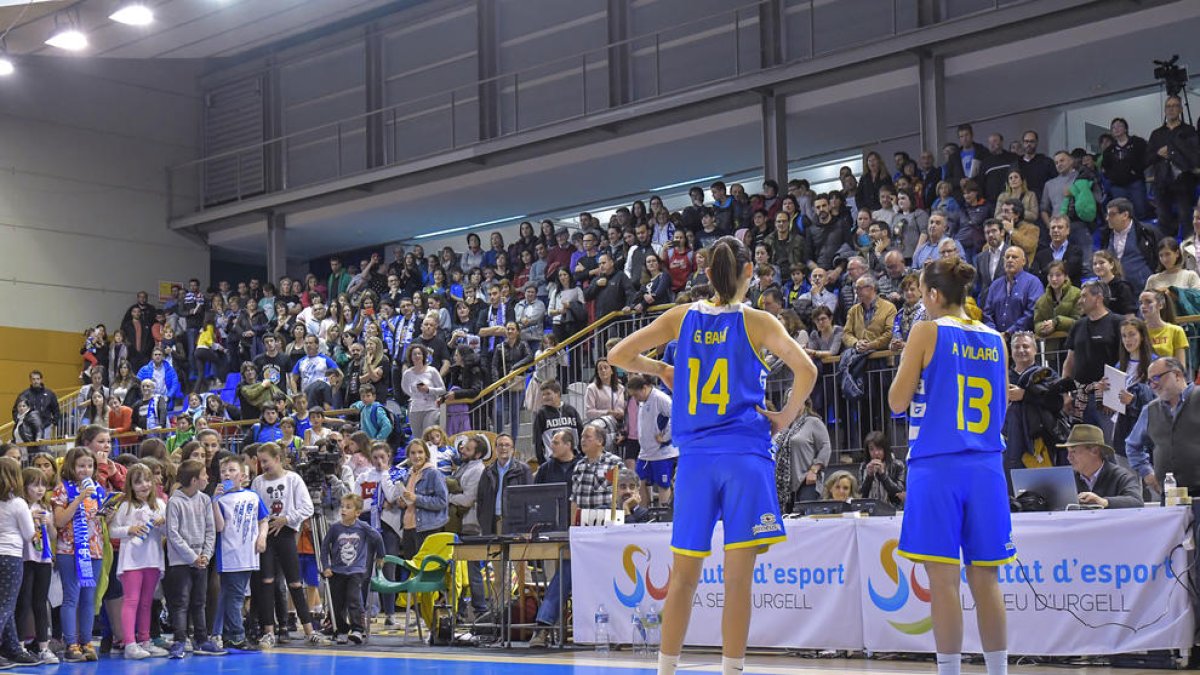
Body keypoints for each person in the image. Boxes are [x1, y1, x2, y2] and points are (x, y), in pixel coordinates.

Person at [608, 235, 817, 675]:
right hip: (745, 457)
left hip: (696, 461)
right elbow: (808, 369)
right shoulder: (759, 321)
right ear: (748, 274)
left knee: (684, 577)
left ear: (706, 275)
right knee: (738, 581)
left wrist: (660, 368)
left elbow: (618, 354)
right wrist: (784, 416)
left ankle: (666, 670)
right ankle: (731, 671)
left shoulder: (681, 316)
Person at [888, 257, 1013, 675]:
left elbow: (896, 402)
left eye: (923, 293)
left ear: (935, 295)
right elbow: (1001, 407)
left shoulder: (925, 330)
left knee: (942, 582)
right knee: (986, 580)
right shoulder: (997, 338)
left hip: (937, 464)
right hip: (987, 464)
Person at [250, 443, 328, 647]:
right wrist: (265, 523)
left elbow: (307, 507)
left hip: (285, 534)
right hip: (265, 535)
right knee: (266, 581)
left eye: (265, 461)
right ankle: (268, 631)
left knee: (295, 582)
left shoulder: (292, 479)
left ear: (277, 458)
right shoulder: (258, 482)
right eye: (260, 461)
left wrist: (286, 519)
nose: (263, 465)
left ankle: (309, 630)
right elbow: (254, 509)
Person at [163, 459, 222, 658]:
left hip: (201, 561)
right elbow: (173, 534)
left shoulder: (205, 500)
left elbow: (210, 529)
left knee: (200, 601)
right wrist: (192, 557)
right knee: (181, 602)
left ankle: (201, 639)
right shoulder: (174, 502)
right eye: (204, 474)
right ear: (195, 479)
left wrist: (206, 554)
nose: (208, 478)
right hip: (181, 562)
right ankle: (180, 640)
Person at [109, 463, 169, 659]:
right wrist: (129, 530)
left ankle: (145, 640)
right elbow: (112, 530)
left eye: (147, 480)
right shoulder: (125, 506)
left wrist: (163, 524)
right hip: (131, 562)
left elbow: (168, 532)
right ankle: (130, 644)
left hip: (152, 560)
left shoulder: (160, 505)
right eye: (138, 482)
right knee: (131, 600)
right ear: (130, 486)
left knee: (146, 602)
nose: (144, 485)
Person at [52, 446, 106, 662]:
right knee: (71, 597)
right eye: (81, 466)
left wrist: (108, 511)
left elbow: (101, 521)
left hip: (95, 550)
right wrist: (79, 498)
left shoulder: (98, 489)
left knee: (88, 599)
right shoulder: (62, 489)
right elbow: (60, 520)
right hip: (70, 550)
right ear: (71, 467)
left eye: (90, 466)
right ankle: (71, 643)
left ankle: (86, 641)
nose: (86, 470)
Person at [211, 455, 268, 650]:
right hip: (230, 554)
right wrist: (214, 502)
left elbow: (264, 519)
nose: (227, 474)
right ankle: (236, 635)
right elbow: (219, 527)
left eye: (232, 470)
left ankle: (224, 632)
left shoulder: (252, 495)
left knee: (234, 595)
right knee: (235, 596)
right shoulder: (221, 500)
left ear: (243, 475)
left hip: (249, 554)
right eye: (223, 471)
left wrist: (262, 537)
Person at [1125, 358, 1199, 499]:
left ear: (1177, 375)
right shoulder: (1149, 410)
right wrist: (1147, 474)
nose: (1153, 385)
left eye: (1157, 378)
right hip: (1169, 495)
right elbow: (1132, 446)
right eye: (1150, 381)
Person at [320, 494, 383, 645]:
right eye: (342, 506)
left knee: (354, 599)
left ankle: (357, 629)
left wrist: (381, 556)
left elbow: (378, 538)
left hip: (356, 571)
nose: (343, 509)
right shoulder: (335, 528)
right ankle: (341, 630)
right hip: (337, 571)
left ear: (357, 512)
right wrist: (326, 566)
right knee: (337, 602)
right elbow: (324, 548)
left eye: (348, 507)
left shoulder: (362, 527)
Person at [17, 466, 56, 665]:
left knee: (40, 603)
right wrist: (31, 520)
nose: (40, 489)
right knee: (23, 602)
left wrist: (48, 523)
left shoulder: (46, 507)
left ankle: (43, 647)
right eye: (35, 485)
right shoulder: (21, 507)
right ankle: (20, 646)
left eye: (43, 485)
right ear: (24, 487)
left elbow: (54, 535)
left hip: (43, 560)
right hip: (25, 558)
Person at [0, 458, 36, 668]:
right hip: (10, 557)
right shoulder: (18, 503)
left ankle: (12, 648)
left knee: (7, 605)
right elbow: (29, 533)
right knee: (5, 605)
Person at [1059, 424, 1143, 509]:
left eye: (1073, 451)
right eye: (1068, 452)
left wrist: (1103, 502)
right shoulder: (1066, 480)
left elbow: (1137, 502)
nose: (1068, 457)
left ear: (1095, 451)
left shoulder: (1121, 476)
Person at [772, 399, 831, 511]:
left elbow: (825, 447)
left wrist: (814, 470)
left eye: (797, 399)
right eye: (789, 401)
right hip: (785, 486)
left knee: (806, 522)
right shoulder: (785, 426)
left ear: (805, 403)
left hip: (806, 480)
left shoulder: (813, 422)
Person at [628, 374, 678, 505]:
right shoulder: (642, 401)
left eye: (636, 395)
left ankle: (663, 516)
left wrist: (666, 436)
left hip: (662, 452)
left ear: (644, 388)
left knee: (663, 484)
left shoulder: (661, 398)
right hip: (645, 452)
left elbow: (677, 417)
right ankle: (644, 514)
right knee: (639, 482)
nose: (635, 398)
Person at [983, 247, 1043, 338]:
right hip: (997, 340)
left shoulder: (1033, 282)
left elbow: (1032, 312)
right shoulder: (995, 285)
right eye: (1007, 257)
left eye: (1014, 257)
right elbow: (987, 314)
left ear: (1023, 261)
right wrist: (995, 334)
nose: (1010, 260)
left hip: (1023, 339)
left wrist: (1009, 333)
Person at [531, 380, 583, 465]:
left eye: (548, 393)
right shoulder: (541, 414)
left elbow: (581, 433)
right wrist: (542, 462)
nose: (545, 397)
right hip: (552, 462)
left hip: (574, 460)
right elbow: (537, 441)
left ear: (558, 393)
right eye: (543, 395)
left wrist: (581, 455)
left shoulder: (571, 411)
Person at [859, 431, 906, 508]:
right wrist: (869, 476)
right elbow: (861, 494)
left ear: (885, 449)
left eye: (879, 449)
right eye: (871, 449)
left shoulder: (898, 465)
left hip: (893, 510)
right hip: (869, 510)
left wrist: (883, 475)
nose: (876, 453)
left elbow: (899, 493)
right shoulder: (864, 466)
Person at [1139, 290, 1189, 363]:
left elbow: (1181, 365)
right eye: (1141, 303)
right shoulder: (1138, 330)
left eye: (1148, 302)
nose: (1143, 306)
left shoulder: (1176, 330)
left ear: (1160, 305)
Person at [12, 371, 60, 440]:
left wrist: (53, 423)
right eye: (33, 379)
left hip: (46, 426)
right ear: (30, 381)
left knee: (45, 449)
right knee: (29, 448)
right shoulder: (24, 394)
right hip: (28, 428)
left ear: (41, 380)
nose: (36, 381)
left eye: (37, 379)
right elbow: (15, 410)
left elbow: (56, 410)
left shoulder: (50, 394)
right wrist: (20, 422)